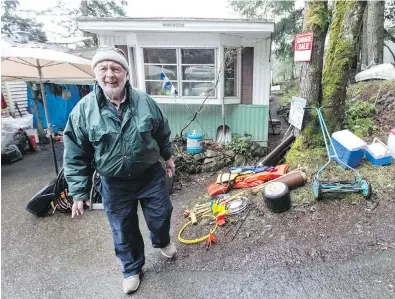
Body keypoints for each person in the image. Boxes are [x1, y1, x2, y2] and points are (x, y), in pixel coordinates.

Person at [63, 46, 177, 294]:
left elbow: (162, 132)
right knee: (123, 229)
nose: (110, 74)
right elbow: (75, 153)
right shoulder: (84, 110)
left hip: (149, 176)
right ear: (96, 74)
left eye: (116, 68)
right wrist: (79, 192)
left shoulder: (145, 102)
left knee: (161, 216)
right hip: (114, 183)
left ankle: (162, 240)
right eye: (103, 68)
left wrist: (168, 157)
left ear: (125, 73)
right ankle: (131, 269)